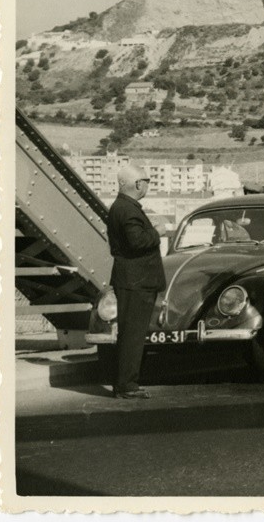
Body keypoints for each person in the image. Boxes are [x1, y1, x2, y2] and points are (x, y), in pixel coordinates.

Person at [106, 164, 166, 400]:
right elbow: (137, 242)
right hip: (137, 280)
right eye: (147, 180)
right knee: (133, 334)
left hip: (129, 279)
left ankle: (123, 383)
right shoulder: (129, 210)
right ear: (138, 184)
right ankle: (128, 385)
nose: (147, 185)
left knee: (128, 332)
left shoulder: (119, 207)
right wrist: (157, 231)